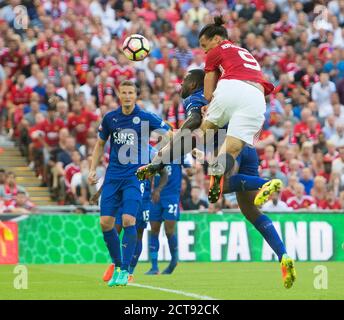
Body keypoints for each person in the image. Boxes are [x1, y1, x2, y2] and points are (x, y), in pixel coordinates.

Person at [137, 69, 295, 289]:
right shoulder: (220, 93)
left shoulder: (194, 97)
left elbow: (193, 121)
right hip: (245, 145)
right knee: (251, 211)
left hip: (229, 148)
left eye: (184, 80)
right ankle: (283, 256)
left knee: (219, 186)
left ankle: (265, 184)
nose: (181, 84)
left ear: (193, 84)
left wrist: (178, 141)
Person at [88, 80, 171, 287]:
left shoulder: (145, 117)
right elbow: (100, 144)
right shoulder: (110, 118)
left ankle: (125, 271)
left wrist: (186, 146)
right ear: (119, 94)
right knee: (105, 223)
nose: (127, 96)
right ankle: (118, 266)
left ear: (136, 95)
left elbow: (169, 133)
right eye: (123, 92)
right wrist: (92, 168)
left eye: (130, 92)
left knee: (128, 221)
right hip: (113, 176)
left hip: (135, 176)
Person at [196, 16, 275, 205]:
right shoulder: (243, 51)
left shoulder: (216, 50)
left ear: (216, 39)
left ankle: (213, 170)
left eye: (204, 44)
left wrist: (209, 102)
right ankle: (266, 183)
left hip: (233, 87)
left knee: (202, 134)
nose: (204, 49)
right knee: (229, 151)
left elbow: (208, 88)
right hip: (257, 96)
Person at [146, 157, 193, 275]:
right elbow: (150, 173)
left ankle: (174, 261)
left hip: (171, 196)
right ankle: (154, 266)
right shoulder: (155, 154)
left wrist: (191, 163)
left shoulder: (180, 154)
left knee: (169, 231)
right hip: (156, 197)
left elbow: (190, 172)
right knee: (154, 230)